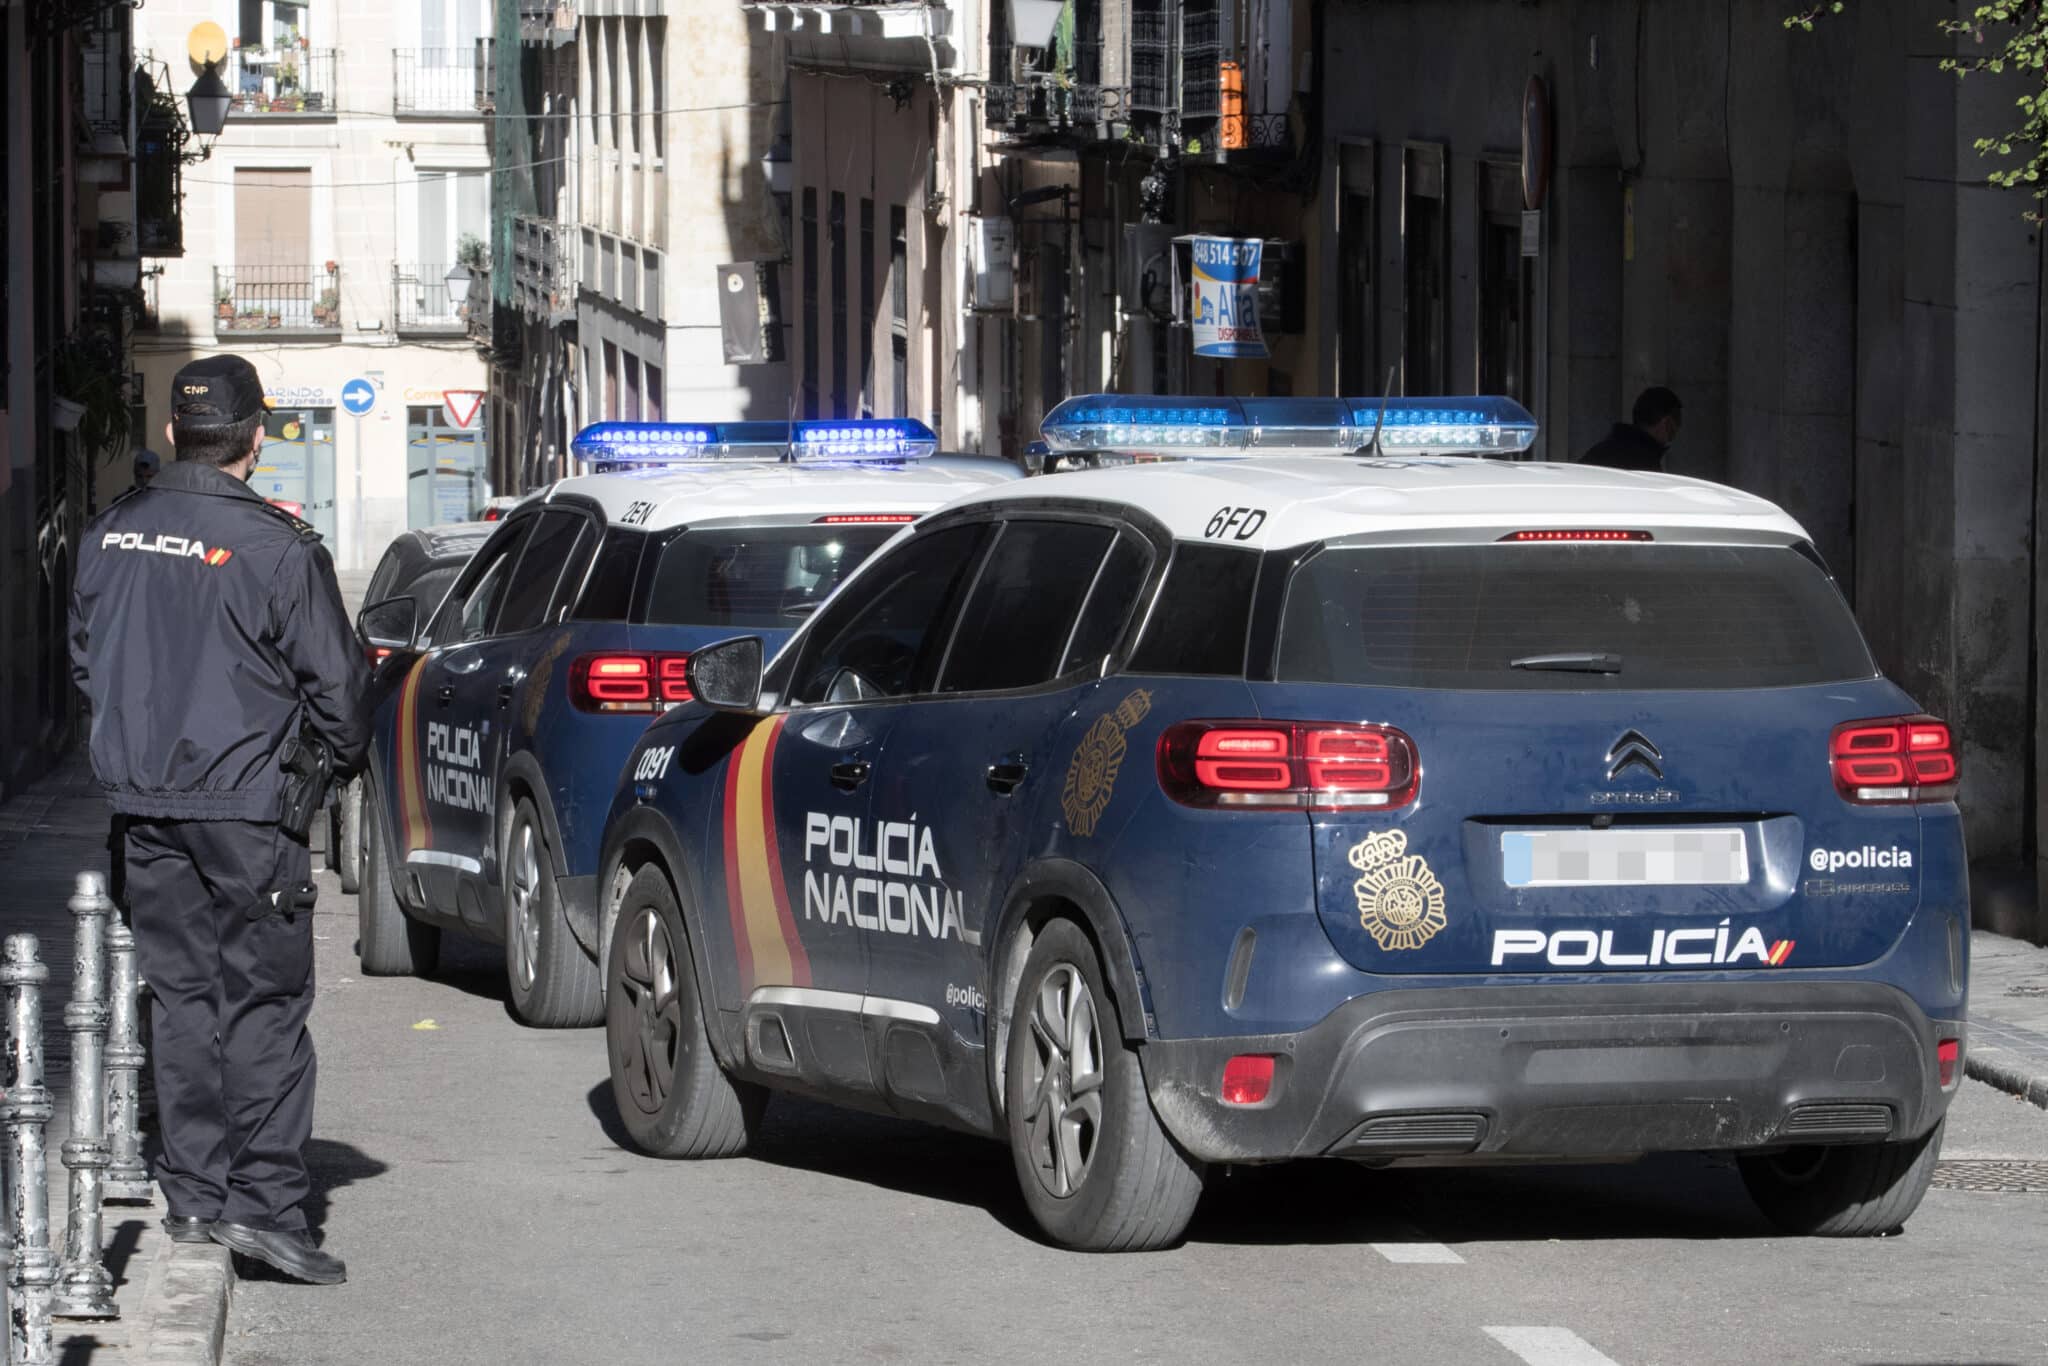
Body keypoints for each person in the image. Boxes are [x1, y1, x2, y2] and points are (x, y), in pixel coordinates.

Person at [68, 355, 369, 1285]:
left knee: (184, 1001)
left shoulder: (106, 536)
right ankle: (269, 1210)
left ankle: (194, 1195)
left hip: (142, 808)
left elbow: (87, 665)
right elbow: (345, 698)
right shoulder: (279, 549)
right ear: (257, 437)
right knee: (265, 1005)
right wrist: (319, 772)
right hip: (246, 811)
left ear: (171, 434)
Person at [1581, 386, 1682, 472]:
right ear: (1666, 422)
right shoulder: (1644, 462)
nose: (1678, 428)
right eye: (1678, 420)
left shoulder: (1605, 448)